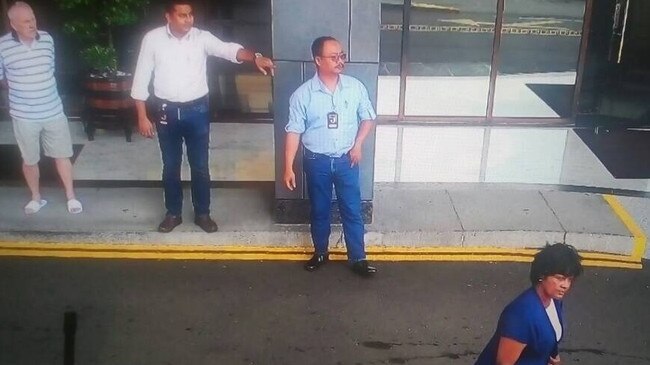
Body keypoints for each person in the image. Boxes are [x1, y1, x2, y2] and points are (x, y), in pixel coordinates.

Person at [131, 0, 275, 233]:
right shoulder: (152, 39)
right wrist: (142, 115)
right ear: (168, 16)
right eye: (182, 15)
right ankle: (173, 213)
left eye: (190, 15)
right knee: (170, 165)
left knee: (200, 165)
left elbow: (229, 49)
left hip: (197, 110)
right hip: (166, 111)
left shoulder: (201, 38)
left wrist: (254, 57)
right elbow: (141, 77)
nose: (188, 20)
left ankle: (202, 213)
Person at [283, 36, 377, 277]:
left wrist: (358, 145)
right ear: (317, 60)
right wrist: (288, 167)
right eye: (333, 57)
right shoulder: (303, 95)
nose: (340, 61)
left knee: (352, 209)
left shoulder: (354, 87)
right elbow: (294, 131)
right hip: (317, 162)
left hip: (347, 160)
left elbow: (368, 117)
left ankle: (358, 258)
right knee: (320, 209)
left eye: (342, 56)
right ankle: (321, 252)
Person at [0, 1, 82, 215]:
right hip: (23, 115)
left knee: (62, 155)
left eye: (33, 19)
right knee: (29, 159)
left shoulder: (47, 39)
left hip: (53, 110)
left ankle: (71, 196)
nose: (32, 24)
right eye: (26, 21)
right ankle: (36, 198)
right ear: (13, 24)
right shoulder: (2, 46)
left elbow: (50, 69)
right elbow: (2, 78)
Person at [474, 243, 584, 365]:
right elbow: (504, 363)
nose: (566, 285)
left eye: (570, 279)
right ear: (542, 275)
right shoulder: (521, 314)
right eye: (560, 278)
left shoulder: (556, 301)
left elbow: (550, 343)